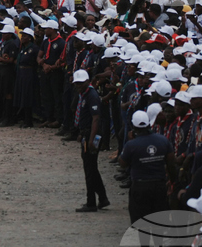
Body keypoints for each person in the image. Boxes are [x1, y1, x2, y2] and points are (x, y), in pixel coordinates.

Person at [119, 109, 177, 223]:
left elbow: (122, 163)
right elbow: (171, 163)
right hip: (159, 185)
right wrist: (173, 183)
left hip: (140, 186)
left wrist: (129, 142)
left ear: (133, 125)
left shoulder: (132, 145)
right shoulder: (163, 140)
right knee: (159, 221)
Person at [73, 69, 110, 212]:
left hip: (92, 135)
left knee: (89, 169)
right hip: (86, 133)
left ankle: (91, 202)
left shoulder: (91, 95)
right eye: (77, 84)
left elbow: (96, 119)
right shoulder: (84, 94)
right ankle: (102, 198)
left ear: (87, 82)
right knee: (91, 168)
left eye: (81, 83)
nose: (78, 86)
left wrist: (91, 139)